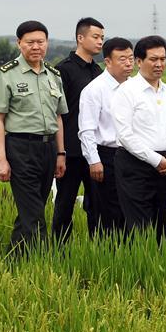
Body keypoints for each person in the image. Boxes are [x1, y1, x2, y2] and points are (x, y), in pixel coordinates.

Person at [0, 20, 68, 253]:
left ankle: (14, 264)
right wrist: (0, 159)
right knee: (33, 214)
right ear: (19, 44)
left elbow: (58, 117)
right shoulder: (7, 75)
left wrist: (61, 153)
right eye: (30, 42)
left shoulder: (53, 74)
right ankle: (42, 262)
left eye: (40, 42)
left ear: (47, 44)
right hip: (20, 148)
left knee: (32, 212)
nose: (36, 47)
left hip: (48, 148)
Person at [111, 35, 166, 241]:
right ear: (139, 61)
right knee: (139, 226)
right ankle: (138, 268)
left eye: (163, 59)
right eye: (153, 59)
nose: (159, 64)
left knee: (162, 224)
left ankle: (160, 268)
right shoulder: (126, 91)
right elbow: (125, 135)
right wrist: (155, 159)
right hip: (135, 165)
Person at [52, 17, 104, 242]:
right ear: (80, 38)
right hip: (71, 150)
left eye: (103, 37)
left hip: (94, 151)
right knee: (64, 203)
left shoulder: (99, 71)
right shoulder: (63, 70)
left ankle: (99, 249)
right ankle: (60, 251)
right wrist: (59, 152)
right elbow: (57, 113)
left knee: (97, 205)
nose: (100, 41)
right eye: (96, 37)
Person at [78, 37, 134, 235]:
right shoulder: (94, 90)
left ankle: (129, 254)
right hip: (106, 157)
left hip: (133, 156)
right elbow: (87, 130)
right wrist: (94, 161)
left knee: (130, 209)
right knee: (105, 210)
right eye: (122, 59)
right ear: (107, 62)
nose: (128, 63)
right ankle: (104, 254)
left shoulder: (136, 87)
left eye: (131, 58)